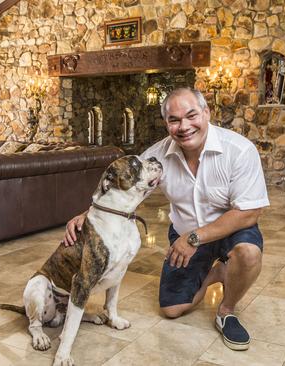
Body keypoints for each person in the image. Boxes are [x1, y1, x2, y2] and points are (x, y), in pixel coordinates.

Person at [62, 88, 269, 351]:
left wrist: (193, 239)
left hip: (230, 231)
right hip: (185, 233)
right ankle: (217, 272)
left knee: (248, 253)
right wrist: (86, 215)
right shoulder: (157, 155)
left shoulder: (239, 150)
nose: (184, 126)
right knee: (171, 309)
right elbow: (126, 188)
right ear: (166, 124)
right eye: (174, 120)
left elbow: (250, 212)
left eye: (191, 115)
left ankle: (226, 310)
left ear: (206, 113)